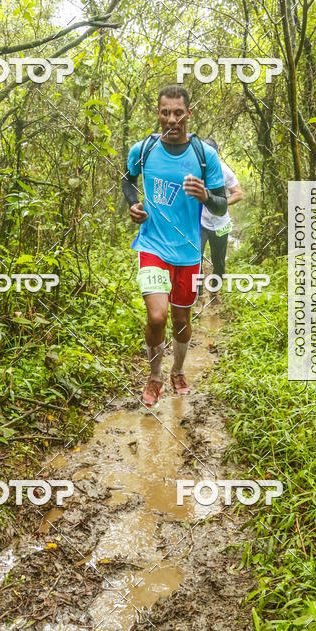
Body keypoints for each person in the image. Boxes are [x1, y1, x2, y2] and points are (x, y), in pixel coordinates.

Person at [121, 84, 229, 407]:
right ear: (158, 114)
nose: (171, 120)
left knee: (182, 321)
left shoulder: (204, 156)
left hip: (188, 252)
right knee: (157, 316)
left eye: (178, 113)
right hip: (152, 246)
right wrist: (134, 204)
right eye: (165, 113)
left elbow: (222, 205)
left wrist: (207, 196)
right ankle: (154, 378)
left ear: (188, 115)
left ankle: (178, 370)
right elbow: (128, 180)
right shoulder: (144, 150)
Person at [199, 137, 244, 304]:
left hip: (221, 223)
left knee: (218, 261)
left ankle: (214, 293)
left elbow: (238, 193)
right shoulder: (195, 169)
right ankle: (198, 295)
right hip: (200, 222)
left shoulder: (224, 170)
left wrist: (221, 203)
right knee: (196, 257)